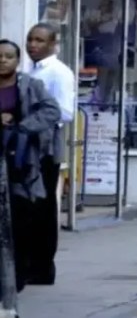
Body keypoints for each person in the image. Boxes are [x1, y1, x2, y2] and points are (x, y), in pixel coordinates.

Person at [0, 39, 61, 292]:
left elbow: (52, 112)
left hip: (19, 163)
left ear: (17, 61)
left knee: (20, 219)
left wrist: (23, 126)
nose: (2, 60)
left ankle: (19, 274)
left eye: (8, 56)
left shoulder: (30, 85)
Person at [25, 22, 75, 285]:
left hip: (45, 149)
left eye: (40, 40)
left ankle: (44, 268)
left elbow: (65, 112)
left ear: (53, 44)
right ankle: (31, 263)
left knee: (44, 208)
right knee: (29, 207)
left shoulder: (58, 72)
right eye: (31, 39)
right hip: (26, 148)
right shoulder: (30, 70)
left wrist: (33, 118)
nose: (33, 45)